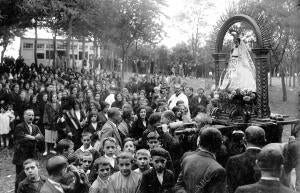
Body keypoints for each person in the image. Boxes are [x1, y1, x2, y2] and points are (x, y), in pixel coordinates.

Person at [175, 127, 226, 193]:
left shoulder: (187, 159)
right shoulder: (219, 170)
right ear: (219, 145)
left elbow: (178, 186)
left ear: (199, 142)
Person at [226, 126, 266, 193]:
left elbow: (230, 187)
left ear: (244, 140)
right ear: (264, 140)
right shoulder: (271, 159)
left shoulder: (233, 161)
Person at [13, 109, 44, 190]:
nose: (31, 117)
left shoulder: (35, 127)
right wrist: (34, 138)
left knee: (32, 176)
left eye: (32, 115)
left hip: (32, 156)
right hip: (21, 157)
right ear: (24, 116)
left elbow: (42, 137)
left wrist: (31, 137)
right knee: (20, 177)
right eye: (29, 115)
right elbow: (21, 139)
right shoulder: (19, 127)